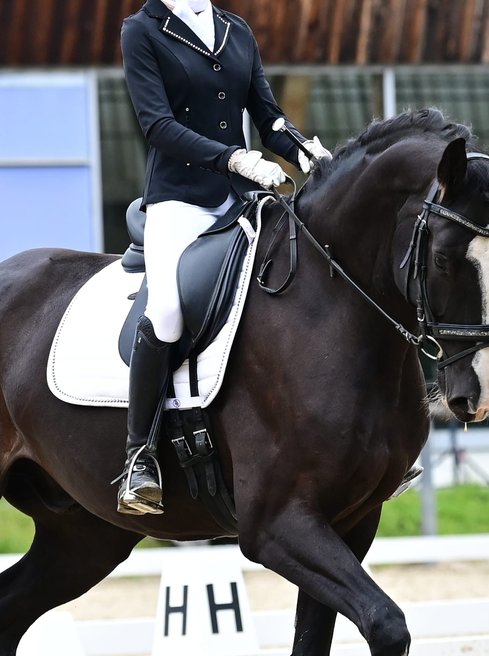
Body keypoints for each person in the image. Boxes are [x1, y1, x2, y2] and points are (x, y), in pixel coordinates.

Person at [116, 0, 331, 515]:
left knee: (310, 279)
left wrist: (303, 150)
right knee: (166, 309)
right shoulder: (142, 31)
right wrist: (232, 157)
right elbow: (157, 126)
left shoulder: (236, 30)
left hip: (241, 198)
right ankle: (138, 457)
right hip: (179, 201)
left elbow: (267, 116)